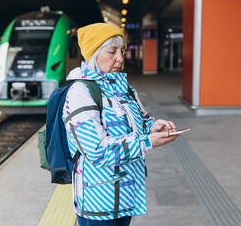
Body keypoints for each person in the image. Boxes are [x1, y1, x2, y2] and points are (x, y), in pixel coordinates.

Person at [62, 23, 180, 226]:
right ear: (93, 54)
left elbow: (139, 123)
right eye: (112, 51)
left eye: (122, 50)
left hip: (126, 193)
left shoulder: (124, 89)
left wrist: (153, 127)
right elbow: (97, 150)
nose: (120, 58)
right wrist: (147, 142)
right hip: (99, 201)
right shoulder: (81, 92)